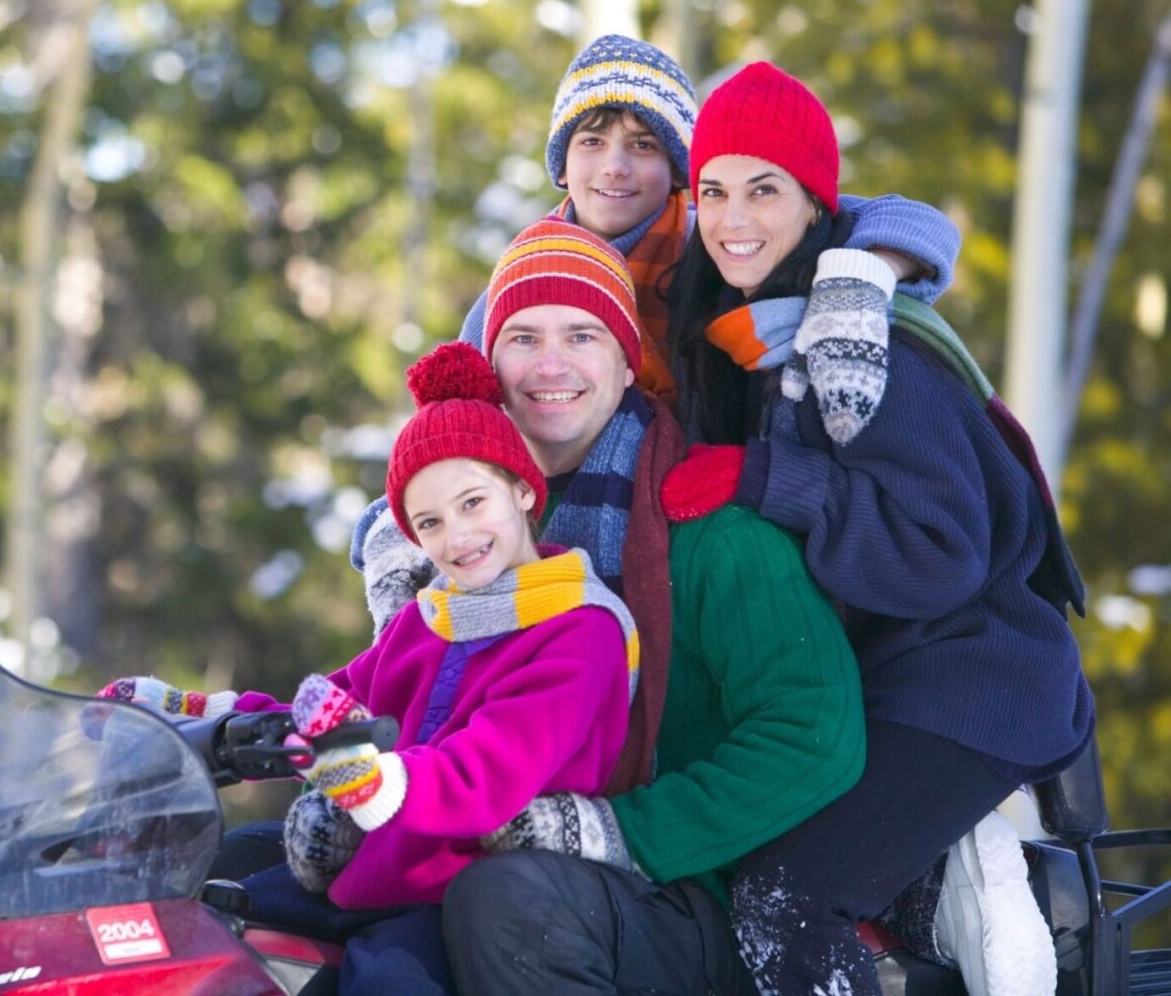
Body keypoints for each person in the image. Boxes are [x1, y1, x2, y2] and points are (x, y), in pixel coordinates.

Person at [657, 60, 1095, 996]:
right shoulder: (756, 337)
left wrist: (766, 479)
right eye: (714, 192)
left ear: (815, 204)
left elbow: (938, 557)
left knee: (784, 903)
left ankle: (958, 859)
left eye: (763, 190)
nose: (734, 220)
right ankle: (949, 877)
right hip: (886, 679)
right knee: (759, 858)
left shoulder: (871, 346)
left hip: (971, 675)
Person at [376, 223, 868, 994]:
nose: (549, 365)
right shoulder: (467, 554)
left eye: (581, 334)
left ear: (625, 358)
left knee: (507, 898)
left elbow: (813, 736)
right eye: (521, 338)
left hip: (683, 894)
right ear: (490, 364)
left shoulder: (714, 536)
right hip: (487, 841)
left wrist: (616, 832)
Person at [104, 339, 640, 995]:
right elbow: (331, 708)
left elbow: (491, 773)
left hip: (466, 890)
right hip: (378, 870)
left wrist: (376, 785)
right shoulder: (430, 618)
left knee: (387, 981)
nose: (458, 537)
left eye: (473, 503)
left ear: (523, 490)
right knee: (189, 925)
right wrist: (193, 717)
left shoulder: (578, 630)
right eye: (430, 523)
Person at [454, 33, 961, 408]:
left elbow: (912, 222)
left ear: (678, 168)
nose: (614, 165)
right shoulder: (527, 274)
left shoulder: (719, 233)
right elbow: (455, 410)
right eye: (591, 141)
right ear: (562, 165)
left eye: (643, 144)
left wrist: (861, 276)